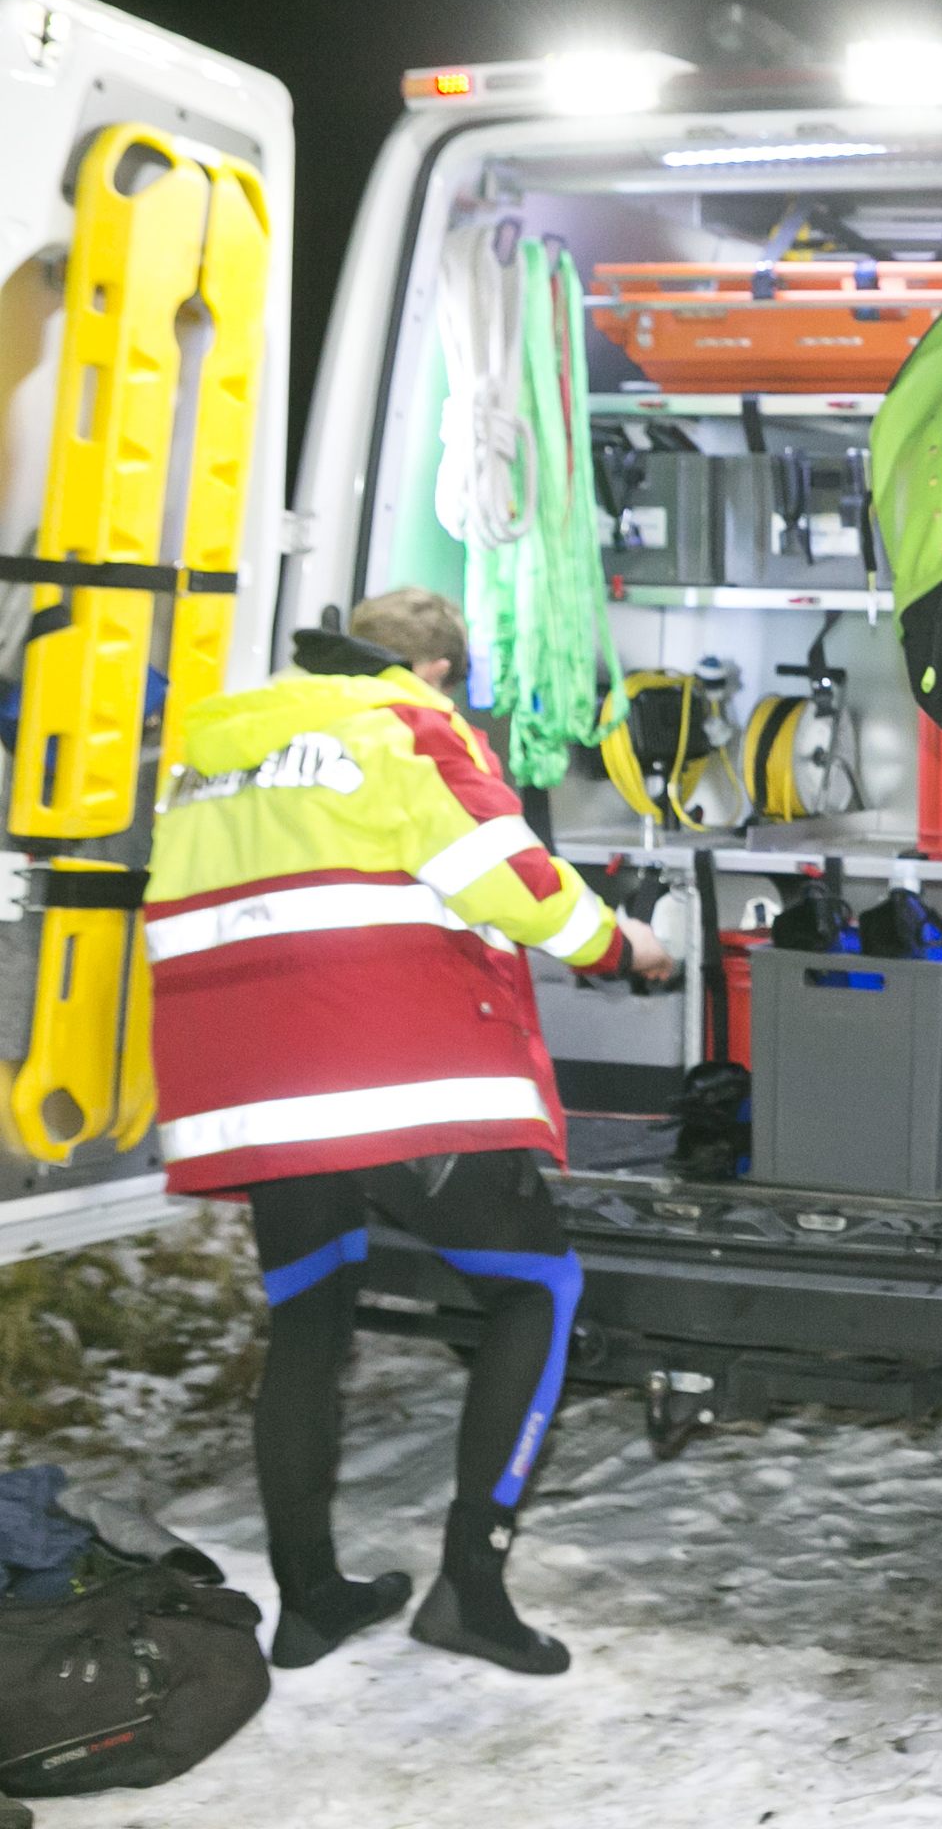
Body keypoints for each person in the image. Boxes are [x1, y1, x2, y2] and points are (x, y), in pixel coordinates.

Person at [145, 587, 673, 1675]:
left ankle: (309, 1599)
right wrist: (625, 945)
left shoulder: (212, 754)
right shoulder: (405, 728)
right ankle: (470, 1592)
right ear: (430, 672)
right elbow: (514, 883)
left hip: (253, 1096)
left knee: (309, 1318)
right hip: (392, 1087)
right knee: (537, 1290)